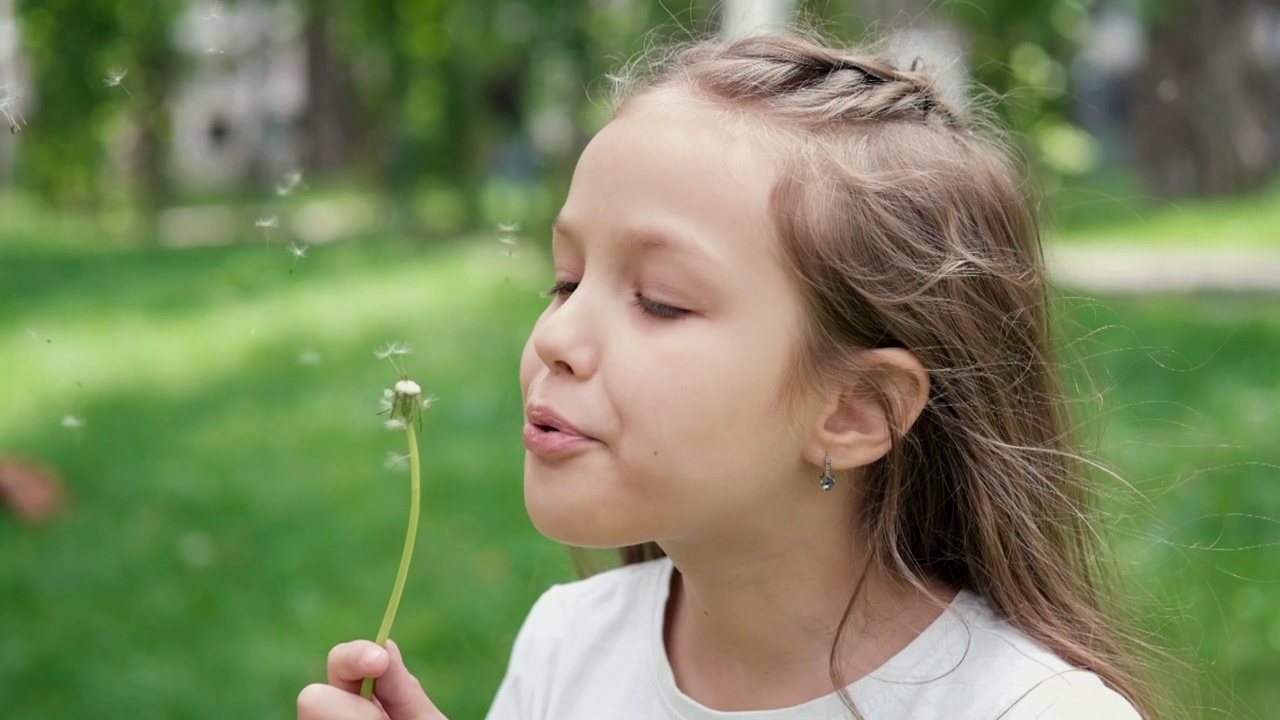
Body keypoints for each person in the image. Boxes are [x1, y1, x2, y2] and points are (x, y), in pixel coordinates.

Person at [298, 31, 1157, 720]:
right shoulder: (569, 644)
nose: (557, 333)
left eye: (661, 301)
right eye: (565, 281)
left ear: (856, 409)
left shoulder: (1023, 709)